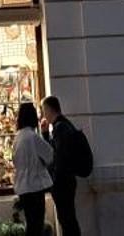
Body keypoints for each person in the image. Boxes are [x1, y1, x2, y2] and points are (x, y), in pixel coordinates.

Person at [40, 96, 91, 236]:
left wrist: (54, 181)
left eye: (43, 110)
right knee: (67, 219)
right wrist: (45, 134)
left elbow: (59, 157)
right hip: (66, 180)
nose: (43, 114)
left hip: (63, 182)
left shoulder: (60, 128)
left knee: (67, 220)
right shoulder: (64, 125)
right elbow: (55, 152)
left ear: (49, 109)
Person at [11, 101, 55, 236]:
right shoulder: (33, 137)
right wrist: (46, 135)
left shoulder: (17, 138)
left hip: (23, 187)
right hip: (35, 186)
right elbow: (50, 155)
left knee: (31, 224)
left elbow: (14, 161)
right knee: (37, 225)